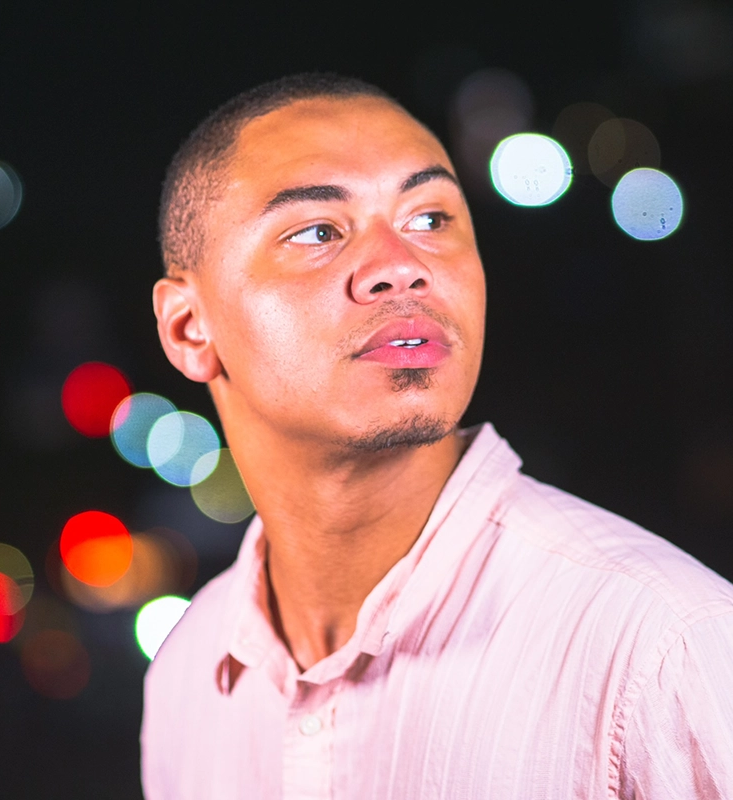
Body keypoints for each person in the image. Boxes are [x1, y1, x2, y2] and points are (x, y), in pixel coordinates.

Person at [141, 73, 733, 799]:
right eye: (319, 231)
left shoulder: (661, 649)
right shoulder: (186, 677)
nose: (401, 267)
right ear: (188, 327)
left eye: (430, 219)